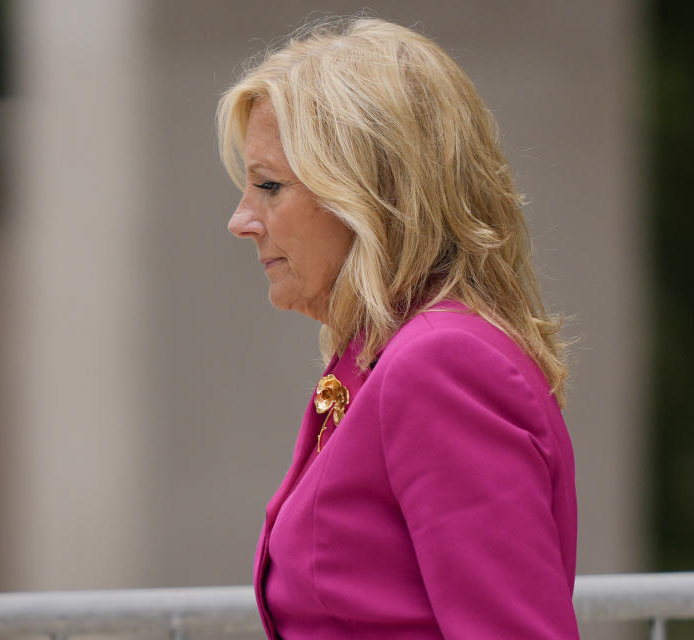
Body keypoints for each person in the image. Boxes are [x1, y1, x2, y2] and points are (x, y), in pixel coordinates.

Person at [218, 16, 578, 640]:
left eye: (269, 186)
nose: (241, 220)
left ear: (368, 197)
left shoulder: (440, 363)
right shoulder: (385, 354)